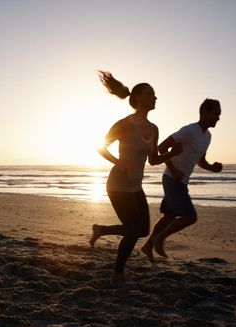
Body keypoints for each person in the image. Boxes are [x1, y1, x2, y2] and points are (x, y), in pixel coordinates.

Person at [90, 71, 182, 283]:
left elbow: (153, 160)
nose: (155, 97)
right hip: (118, 185)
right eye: (151, 94)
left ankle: (101, 229)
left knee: (142, 230)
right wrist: (118, 161)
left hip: (135, 186)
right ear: (139, 97)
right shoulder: (124, 124)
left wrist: (173, 154)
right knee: (132, 230)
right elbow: (100, 146)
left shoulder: (153, 128)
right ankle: (118, 273)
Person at [141, 98, 223, 262]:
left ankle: (148, 247)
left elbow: (201, 161)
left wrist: (212, 168)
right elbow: (162, 148)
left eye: (219, 114)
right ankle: (159, 239)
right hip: (172, 178)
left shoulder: (207, 136)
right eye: (215, 114)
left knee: (169, 216)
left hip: (181, 181)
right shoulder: (189, 130)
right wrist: (173, 169)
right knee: (190, 217)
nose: (218, 118)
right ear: (203, 112)